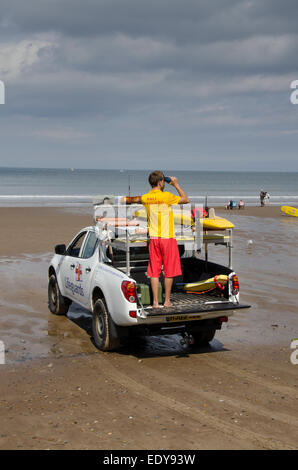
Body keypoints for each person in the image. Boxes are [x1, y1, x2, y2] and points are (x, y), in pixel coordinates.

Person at [123, 171, 189, 308]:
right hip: (167, 238)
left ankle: (155, 303)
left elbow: (131, 200)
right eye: (163, 182)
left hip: (154, 238)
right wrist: (176, 184)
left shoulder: (146, 198)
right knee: (169, 270)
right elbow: (185, 199)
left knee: (154, 271)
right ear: (160, 182)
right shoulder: (166, 196)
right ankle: (167, 301)